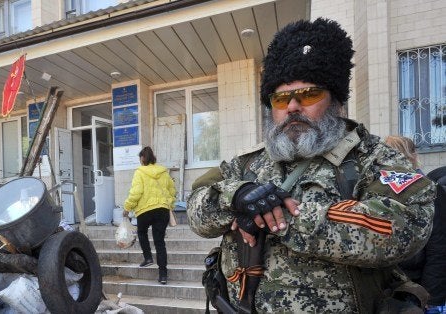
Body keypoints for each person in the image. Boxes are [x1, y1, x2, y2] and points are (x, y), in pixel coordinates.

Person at [187, 18, 435, 313]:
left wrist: (276, 216)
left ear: (336, 100)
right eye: (280, 99)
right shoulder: (249, 163)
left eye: (308, 94)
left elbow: (403, 227)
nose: (292, 107)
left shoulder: (374, 157)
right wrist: (237, 196)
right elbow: (197, 206)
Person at [385, 137, 446, 310]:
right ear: (414, 156)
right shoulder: (376, 191)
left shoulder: (429, 190)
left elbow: (438, 249)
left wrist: (431, 298)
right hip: (410, 288)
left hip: (410, 288)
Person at [123, 146, 176, 285]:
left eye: (140, 158)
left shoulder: (140, 172)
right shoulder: (164, 172)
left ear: (142, 158)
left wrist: (127, 208)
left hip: (145, 210)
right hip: (162, 210)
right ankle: (163, 275)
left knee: (141, 232)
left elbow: (136, 192)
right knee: (160, 242)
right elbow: (172, 190)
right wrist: (169, 203)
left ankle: (148, 258)